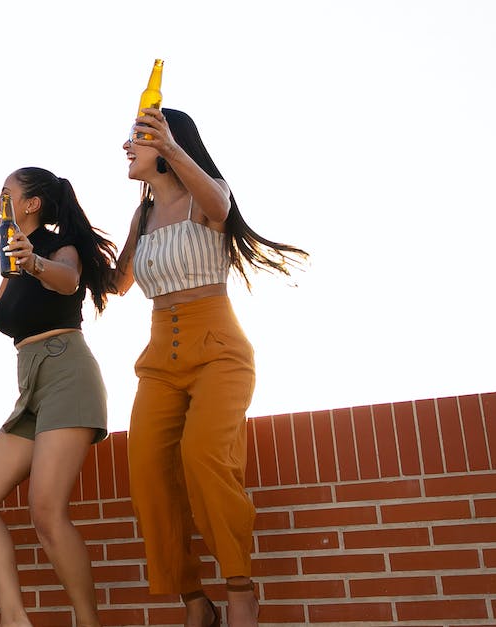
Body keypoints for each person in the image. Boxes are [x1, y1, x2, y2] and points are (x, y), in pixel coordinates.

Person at [115, 108, 308, 627]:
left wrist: (172, 144)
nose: (126, 148)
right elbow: (117, 283)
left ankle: (240, 585)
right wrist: (44, 252)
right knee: (148, 470)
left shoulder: (207, 194)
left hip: (219, 350)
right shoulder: (143, 216)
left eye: (138, 138)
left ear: (168, 141)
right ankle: (194, 600)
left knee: (203, 454)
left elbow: (221, 207)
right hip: (159, 360)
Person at [0, 167, 117, 627]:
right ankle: (14, 618)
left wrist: (35, 263)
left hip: (68, 374)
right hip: (31, 388)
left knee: (46, 510)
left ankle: (88, 622)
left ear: (32, 205)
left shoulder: (54, 247)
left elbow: (66, 279)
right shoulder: (10, 256)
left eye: (5, 193)